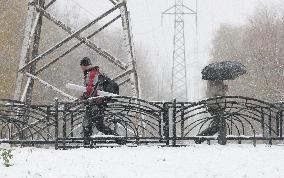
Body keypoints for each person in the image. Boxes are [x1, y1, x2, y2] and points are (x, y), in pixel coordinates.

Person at [79, 57, 119, 144]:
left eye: (81, 66)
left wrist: (85, 97)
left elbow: (91, 89)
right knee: (93, 125)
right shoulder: (95, 72)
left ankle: (118, 139)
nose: (81, 69)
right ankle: (87, 142)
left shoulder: (91, 74)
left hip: (95, 104)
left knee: (94, 125)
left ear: (84, 66)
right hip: (97, 103)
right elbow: (94, 88)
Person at [195, 80, 228, 145]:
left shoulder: (217, 80)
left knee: (217, 125)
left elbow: (218, 94)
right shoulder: (213, 81)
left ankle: (200, 138)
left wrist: (223, 89)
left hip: (217, 105)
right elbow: (215, 92)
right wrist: (223, 89)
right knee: (221, 123)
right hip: (214, 106)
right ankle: (221, 142)